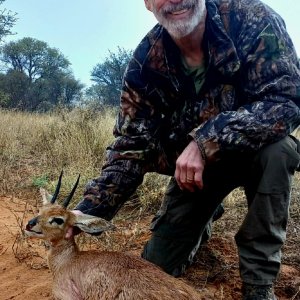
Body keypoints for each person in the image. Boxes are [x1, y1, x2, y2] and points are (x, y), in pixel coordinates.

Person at [74, 0, 300, 299]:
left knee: (280, 150)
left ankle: (259, 283)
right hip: (196, 174)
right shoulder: (146, 62)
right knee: (157, 266)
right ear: (147, 3)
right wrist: (85, 212)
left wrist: (204, 141)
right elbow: (130, 147)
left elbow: (286, 101)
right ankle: (202, 217)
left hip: (255, 153)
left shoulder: (253, 19)